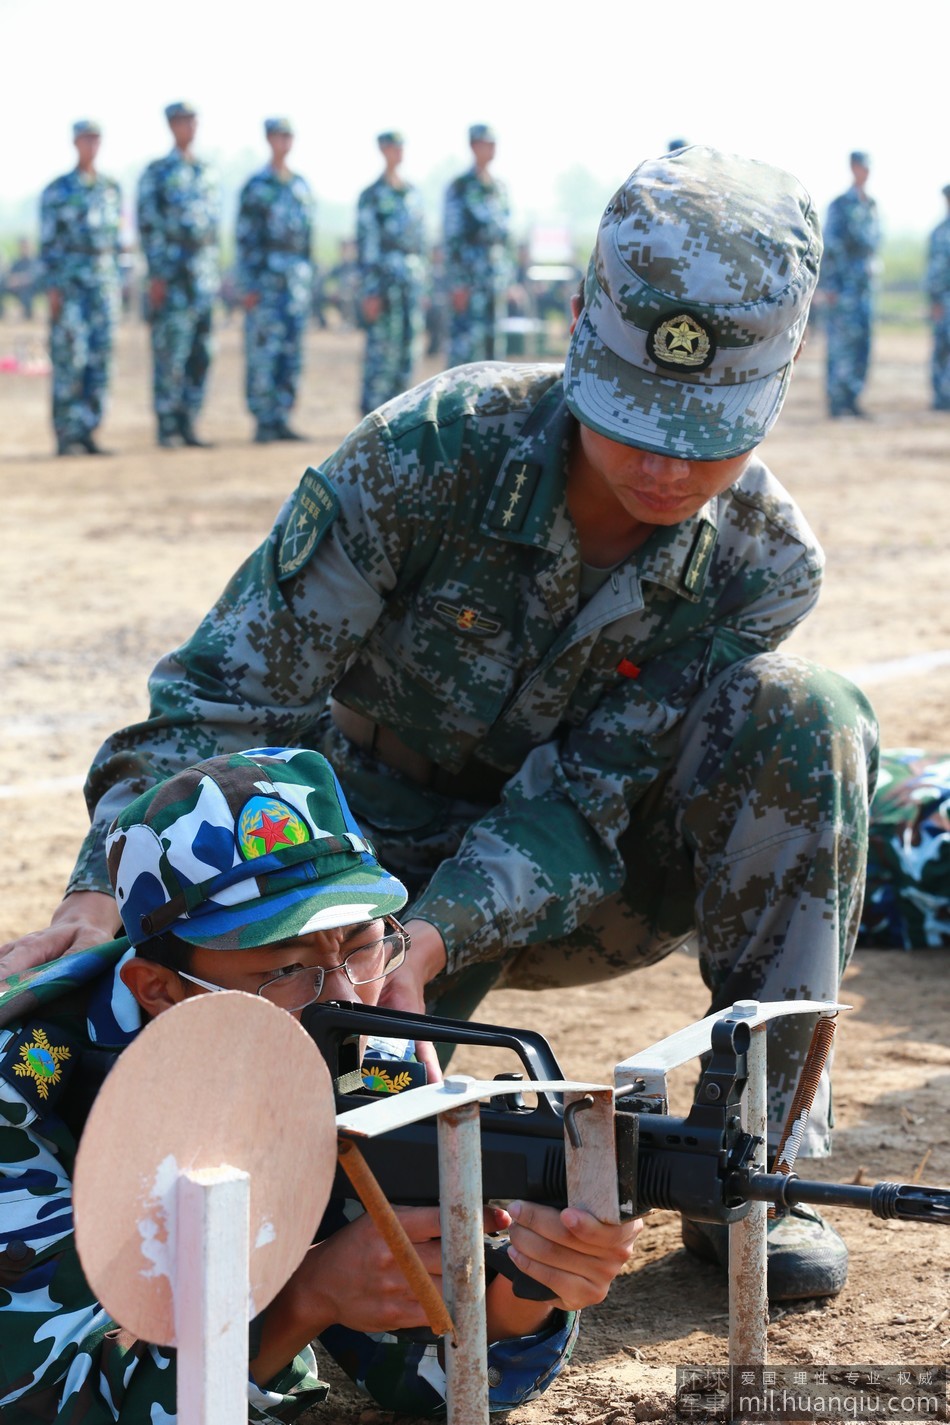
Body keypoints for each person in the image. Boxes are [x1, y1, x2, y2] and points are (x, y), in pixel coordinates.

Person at [2, 146, 879, 1302]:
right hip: (347, 874)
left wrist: (432, 938)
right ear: (577, 327)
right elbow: (225, 700)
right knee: (290, 1150)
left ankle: (745, 1162)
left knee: (806, 715)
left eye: (709, 430)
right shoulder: (432, 452)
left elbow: (584, 801)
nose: (669, 464)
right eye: (637, 417)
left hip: (575, 876)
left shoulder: (761, 564)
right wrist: (112, 885)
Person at [0, 746, 638, 1419]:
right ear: (158, 989)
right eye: (287, 967)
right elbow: (51, 1402)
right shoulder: (26, 1095)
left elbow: (433, 1362)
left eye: (360, 943)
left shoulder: (360, 1042)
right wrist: (304, 1297)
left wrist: (530, 1284)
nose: (340, 1000)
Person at [137, 101, 219, 448]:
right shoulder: (157, 172)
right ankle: (168, 424)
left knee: (202, 351)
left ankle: (190, 421)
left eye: (193, 121)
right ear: (171, 126)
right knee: (171, 351)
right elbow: (148, 225)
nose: (189, 127)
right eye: (182, 121)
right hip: (171, 276)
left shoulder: (206, 171)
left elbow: (212, 230)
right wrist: (157, 275)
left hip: (202, 275)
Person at [39, 121, 121, 456]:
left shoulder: (111, 188)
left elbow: (118, 240)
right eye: (86, 139)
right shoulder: (58, 190)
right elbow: (48, 243)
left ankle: (89, 429)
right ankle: (65, 432)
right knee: (70, 357)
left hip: (102, 284)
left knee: (100, 359)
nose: (91, 145)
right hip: (70, 284)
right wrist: (54, 288)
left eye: (96, 140)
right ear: (75, 143)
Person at [237, 117, 315, 443]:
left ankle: (282, 416)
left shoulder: (300, 186)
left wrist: (309, 279)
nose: (283, 142)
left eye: (288, 136)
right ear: (268, 140)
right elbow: (244, 239)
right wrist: (248, 285)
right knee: (264, 351)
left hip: (294, 280)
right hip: (266, 279)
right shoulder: (256, 186)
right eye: (278, 136)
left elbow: (307, 239)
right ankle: (263, 419)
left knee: (291, 351)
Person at [356, 130, 426, 416]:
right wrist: (371, 290)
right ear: (382, 151)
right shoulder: (372, 195)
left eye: (400, 147)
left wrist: (424, 286)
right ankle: (373, 414)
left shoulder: (412, 193)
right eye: (391, 147)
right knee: (381, 352)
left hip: (410, 282)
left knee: (408, 350)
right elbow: (367, 245)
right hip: (384, 284)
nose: (397, 152)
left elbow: (421, 242)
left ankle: (400, 414)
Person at [443, 123, 511, 365]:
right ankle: (457, 401)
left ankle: (492, 402)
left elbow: (505, 238)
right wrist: (458, 283)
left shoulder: (499, 188)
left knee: (494, 348)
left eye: (494, 144)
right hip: (470, 280)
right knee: (465, 348)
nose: (492, 149)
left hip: (494, 279)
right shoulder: (460, 187)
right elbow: (452, 239)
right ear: (473, 146)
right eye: (486, 144)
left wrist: (509, 279)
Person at [822, 150, 881, 418]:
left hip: (865, 289)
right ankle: (838, 401)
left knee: (862, 345)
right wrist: (830, 286)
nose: (864, 172)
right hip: (843, 288)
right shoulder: (840, 205)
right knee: (841, 345)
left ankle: (854, 398)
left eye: (867, 168)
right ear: (853, 168)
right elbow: (830, 247)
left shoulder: (870, 205)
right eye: (861, 167)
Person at [925, 183, 950, 412]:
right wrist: (934, 300)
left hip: (943, 299)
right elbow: (934, 271)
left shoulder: (940, 231)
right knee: (942, 349)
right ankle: (941, 397)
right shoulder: (940, 232)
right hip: (944, 300)